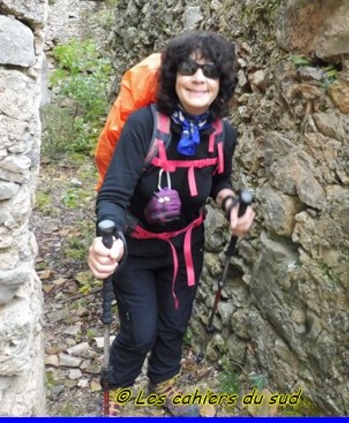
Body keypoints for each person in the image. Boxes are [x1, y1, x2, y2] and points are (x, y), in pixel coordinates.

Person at [88, 30, 255, 416]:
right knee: (140, 331)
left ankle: (165, 385)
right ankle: (119, 392)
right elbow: (113, 194)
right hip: (135, 244)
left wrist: (230, 204)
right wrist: (105, 238)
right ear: (173, 77)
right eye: (189, 68)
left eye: (210, 71)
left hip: (184, 246)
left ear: (221, 82)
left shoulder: (222, 134)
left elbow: (220, 181)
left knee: (175, 324)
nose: (199, 78)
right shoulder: (145, 125)